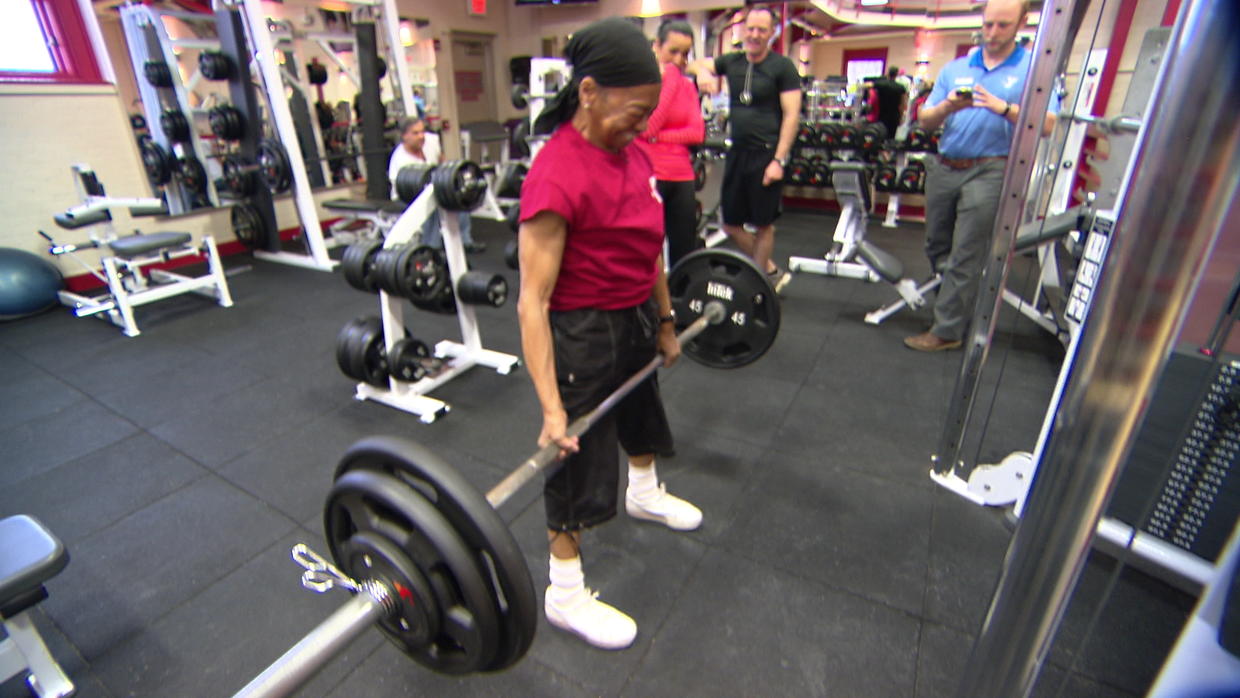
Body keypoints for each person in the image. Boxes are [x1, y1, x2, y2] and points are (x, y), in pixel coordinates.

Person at [516, 17, 703, 651]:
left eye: (651, 112)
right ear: (589, 92)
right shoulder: (555, 173)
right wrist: (550, 408)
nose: (644, 123)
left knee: (642, 414)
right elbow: (532, 302)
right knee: (578, 460)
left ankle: (646, 494)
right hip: (584, 332)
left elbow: (649, 246)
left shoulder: (636, 154)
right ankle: (564, 592)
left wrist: (667, 320)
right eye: (636, 109)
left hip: (636, 319)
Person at [904, 0, 1056, 352]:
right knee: (936, 246)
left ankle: (947, 330)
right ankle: (954, 308)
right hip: (945, 165)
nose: (992, 33)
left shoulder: (1033, 69)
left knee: (966, 251)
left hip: (991, 168)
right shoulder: (957, 68)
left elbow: (1047, 124)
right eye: (988, 24)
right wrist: (947, 107)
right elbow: (925, 120)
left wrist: (1002, 108)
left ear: (1021, 23)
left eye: (1002, 25)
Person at [691, 7, 801, 294]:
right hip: (738, 152)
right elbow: (694, 64)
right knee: (730, 224)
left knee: (763, 224)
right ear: (743, 30)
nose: (754, 35)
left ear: (772, 34)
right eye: (750, 29)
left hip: (766, 154)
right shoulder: (732, 61)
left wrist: (779, 159)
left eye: (761, 30)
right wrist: (703, 72)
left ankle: (758, 287)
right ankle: (770, 271)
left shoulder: (783, 67)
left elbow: (791, 116)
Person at [635, 19, 706, 269]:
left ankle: (677, 304)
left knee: (684, 251)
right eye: (672, 51)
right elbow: (647, 128)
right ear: (656, 46)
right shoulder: (643, 85)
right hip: (651, 175)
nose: (679, 59)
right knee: (647, 248)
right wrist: (672, 78)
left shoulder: (687, 88)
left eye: (685, 53)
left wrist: (659, 138)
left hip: (682, 175)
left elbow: (697, 133)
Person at [387, 117, 486, 253]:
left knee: (459, 197)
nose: (421, 136)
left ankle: (465, 241)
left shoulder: (431, 141)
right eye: (415, 133)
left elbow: (442, 160)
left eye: (422, 131)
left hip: (434, 187)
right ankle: (432, 248)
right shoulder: (400, 159)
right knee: (431, 206)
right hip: (408, 196)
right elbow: (405, 188)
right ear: (405, 136)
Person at [870, 66, 908, 139]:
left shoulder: (880, 84)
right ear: (896, 74)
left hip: (881, 114)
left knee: (880, 135)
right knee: (891, 137)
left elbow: (868, 86)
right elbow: (903, 104)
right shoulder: (900, 87)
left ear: (888, 73)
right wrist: (901, 117)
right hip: (894, 115)